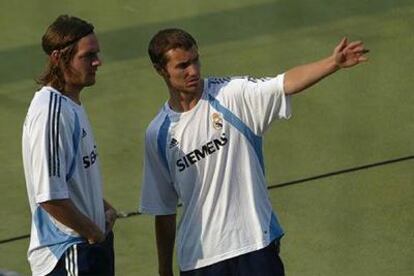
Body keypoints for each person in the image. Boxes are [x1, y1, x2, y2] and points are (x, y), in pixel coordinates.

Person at [139, 28, 368, 276]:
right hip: (199, 260)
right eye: (182, 65)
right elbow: (163, 210)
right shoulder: (158, 134)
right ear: (160, 70)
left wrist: (332, 63)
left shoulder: (232, 94)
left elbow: (284, 83)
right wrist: (164, 270)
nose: (193, 70)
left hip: (254, 245)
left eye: (195, 60)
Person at [22, 15, 117, 276]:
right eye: (88, 56)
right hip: (68, 253)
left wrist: (102, 207)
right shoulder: (51, 112)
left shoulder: (70, 106)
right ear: (58, 58)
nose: (98, 62)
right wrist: (94, 233)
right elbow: (50, 196)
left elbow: (69, 181)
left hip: (85, 249)